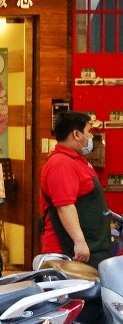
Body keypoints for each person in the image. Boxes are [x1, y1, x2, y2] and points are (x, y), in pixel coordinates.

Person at [40, 111, 110, 266]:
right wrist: (79, 241)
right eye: (89, 131)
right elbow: (64, 206)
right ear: (77, 134)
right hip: (68, 252)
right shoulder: (61, 164)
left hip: (90, 248)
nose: (91, 137)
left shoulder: (76, 161)